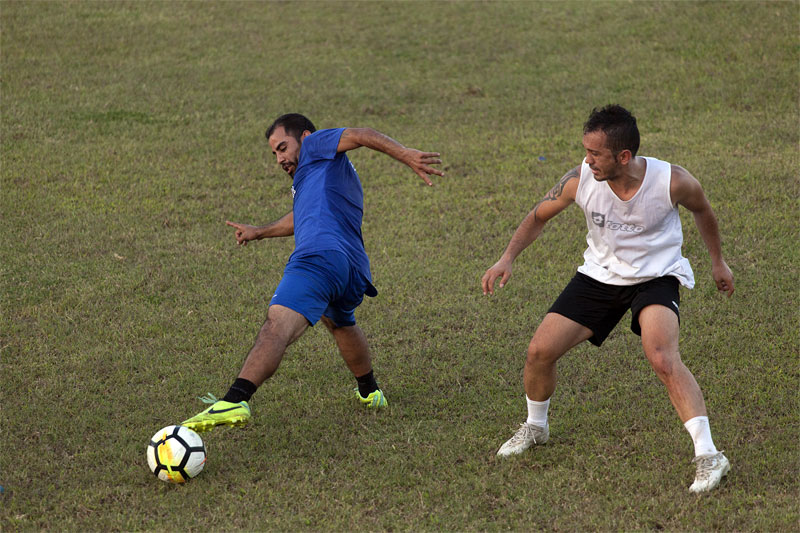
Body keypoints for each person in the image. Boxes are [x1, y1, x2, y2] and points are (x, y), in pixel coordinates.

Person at [481, 105, 734, 493]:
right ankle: (536, 427)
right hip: (599, 276)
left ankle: (709, 455)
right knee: (539, 352)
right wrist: (507, 258)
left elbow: (704, 212)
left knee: (662, 356)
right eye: (586, 151)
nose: (587, 160)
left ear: (624, 156)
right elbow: (538, 216)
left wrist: (718, 262)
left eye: (595, 154)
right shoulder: (579, 180)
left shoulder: (673, 182)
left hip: (656, 276)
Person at [182, 113, 443, 432]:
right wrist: (259, 231)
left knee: (277, 324)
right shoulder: (320, 176)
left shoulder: (316, 144)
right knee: (341, 323)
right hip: (351, 268)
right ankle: (370, 392)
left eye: (282, 148)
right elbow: (301, 216)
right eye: (274, 154)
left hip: (319, 256)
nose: (279, 159)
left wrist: (406, 154)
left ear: (304, 138)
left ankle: (236, 399)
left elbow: (361, 133)